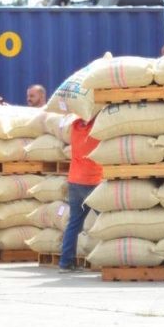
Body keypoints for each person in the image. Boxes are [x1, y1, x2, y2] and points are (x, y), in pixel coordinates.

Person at [58, 116, 102, 273]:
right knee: (107, 221)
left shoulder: (75, 126)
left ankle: (65, 263)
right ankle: (111, 259)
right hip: (94, 180)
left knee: (74, 223)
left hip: (75, 181)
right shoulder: (97, 128)